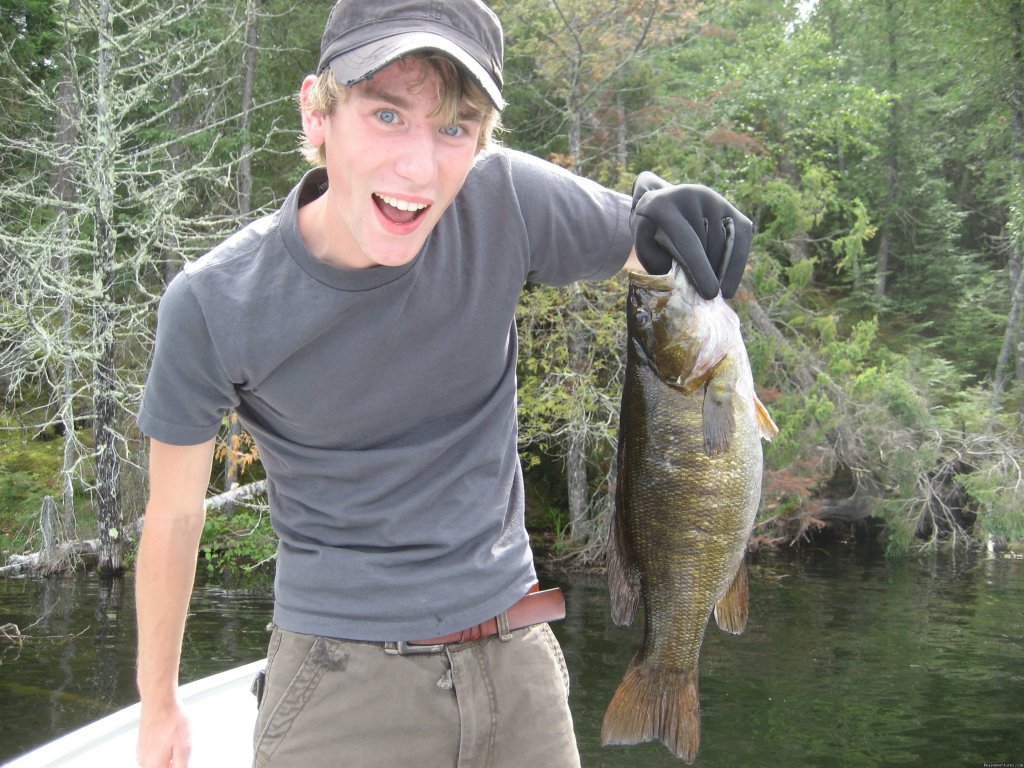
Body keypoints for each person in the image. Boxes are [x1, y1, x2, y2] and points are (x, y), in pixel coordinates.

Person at [133, 1, 752, 766]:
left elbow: (654, 257)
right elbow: (173, 517)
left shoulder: (505, 200)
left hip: (517, 656)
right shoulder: (213, 303)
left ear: (482, 141)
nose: (419, 169)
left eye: (454, 127)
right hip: (339, 677)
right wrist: (159, 705)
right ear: (317, 111)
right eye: (386, 114)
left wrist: (669, 218)